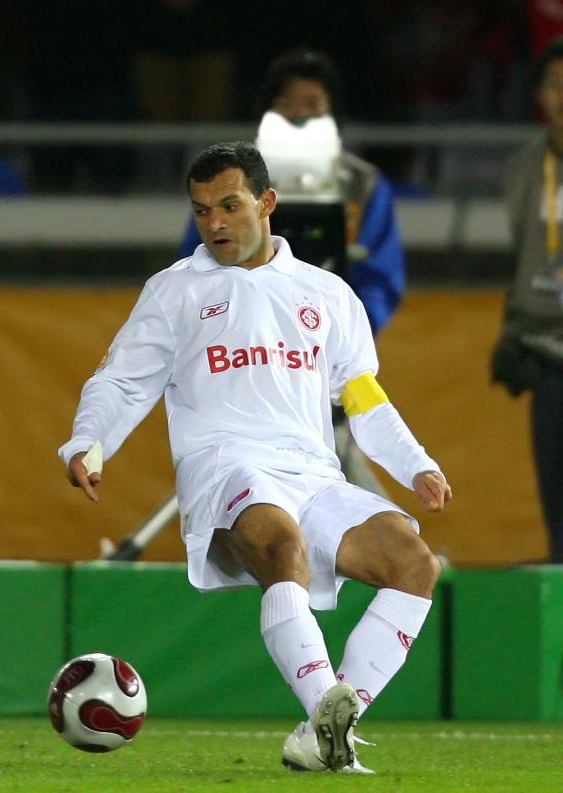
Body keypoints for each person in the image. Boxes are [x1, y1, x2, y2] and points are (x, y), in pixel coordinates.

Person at [61, 142, 451, 773]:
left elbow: (364, 399)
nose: (215, 222)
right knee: (283, 547)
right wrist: (87, 441)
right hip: (225, 468)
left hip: (312, 472)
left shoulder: (327, 294)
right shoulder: (174, 292)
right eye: (201, 210)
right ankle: (330, 712)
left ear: (267, 204)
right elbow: (121, 382)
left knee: (414, 564)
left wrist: (416, 465)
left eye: (230, 205)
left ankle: (321, 730)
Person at [180, 49, 407, 497]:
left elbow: (380, 280)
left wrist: (332, 344)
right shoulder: (228, 183)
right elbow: (196, 265)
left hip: (320, 362)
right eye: (286, 105)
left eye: (313, 106)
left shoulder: (363, 188)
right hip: (240, 358)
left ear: (333, 118)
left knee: (333, 469)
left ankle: (394, 553)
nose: (299, 116)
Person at [491, 36, 563, 564]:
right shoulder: (522, 170)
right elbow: (523, 258)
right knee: (557, 500)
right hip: (547, 352)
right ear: (539, 94)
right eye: (556, 84)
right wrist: (512, 333)